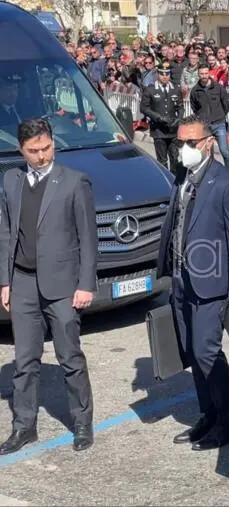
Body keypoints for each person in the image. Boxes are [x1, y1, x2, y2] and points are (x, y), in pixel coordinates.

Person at [0, 118, 97, 455]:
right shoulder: (11, 180)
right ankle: (24, 426)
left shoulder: (73, 182)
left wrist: (86, 284)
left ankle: (82, 421)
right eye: (33, 151)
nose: (42, 156)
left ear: (53, 143)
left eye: (46, 148)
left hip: (62, 285)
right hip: (23, 282)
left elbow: (88, 237)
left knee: (69, 356)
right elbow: (5, 232)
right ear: (21, 150)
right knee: (24, 360)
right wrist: (5, 281)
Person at [157, 116, 229, 451]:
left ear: (209, 142)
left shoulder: (227, 184)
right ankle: (209, 413)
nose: (184, 149)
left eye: (191, 143)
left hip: (212, 283)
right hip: (182, 279)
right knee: (191, 351)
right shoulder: (181, 177)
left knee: (206, 350)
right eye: (180, 142)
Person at [140, 62, 184, 173]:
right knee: (162, 159)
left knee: (174, 157)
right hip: (158, 130)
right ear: (158, 74)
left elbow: (180, 107)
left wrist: (179, 119)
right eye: (162, 74)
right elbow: (144, 108)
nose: (165, 77)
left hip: (173, 129)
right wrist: (157, 117)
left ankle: (175, 181)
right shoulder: (150, 89)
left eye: (167, 74)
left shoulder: (175, 88)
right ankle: (166, 182)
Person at [189, 64, 229, 170]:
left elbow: (225, 104)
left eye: (206, 73)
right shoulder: (195, 90)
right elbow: (194, 107)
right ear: (198, 75)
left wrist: (220, 116)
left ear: (209, 73)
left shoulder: (218, 88)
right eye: (201, 74)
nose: (204, 76)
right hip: (205, 126)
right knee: (208, 154)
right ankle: (211, 173)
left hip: (219, 124)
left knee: (225, 151)